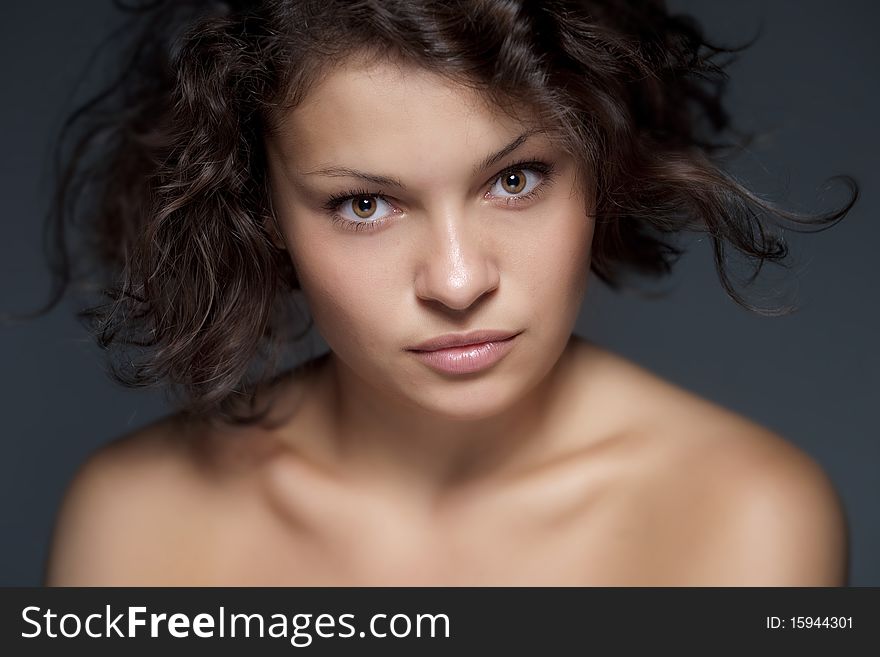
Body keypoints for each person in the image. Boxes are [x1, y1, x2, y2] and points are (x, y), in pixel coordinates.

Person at [40, 0, 856, 585]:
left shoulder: (743, 511)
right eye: (365, 204)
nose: (460, 282)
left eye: (515, 179)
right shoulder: (138, 513)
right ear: (263, 213)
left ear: (600, 168)